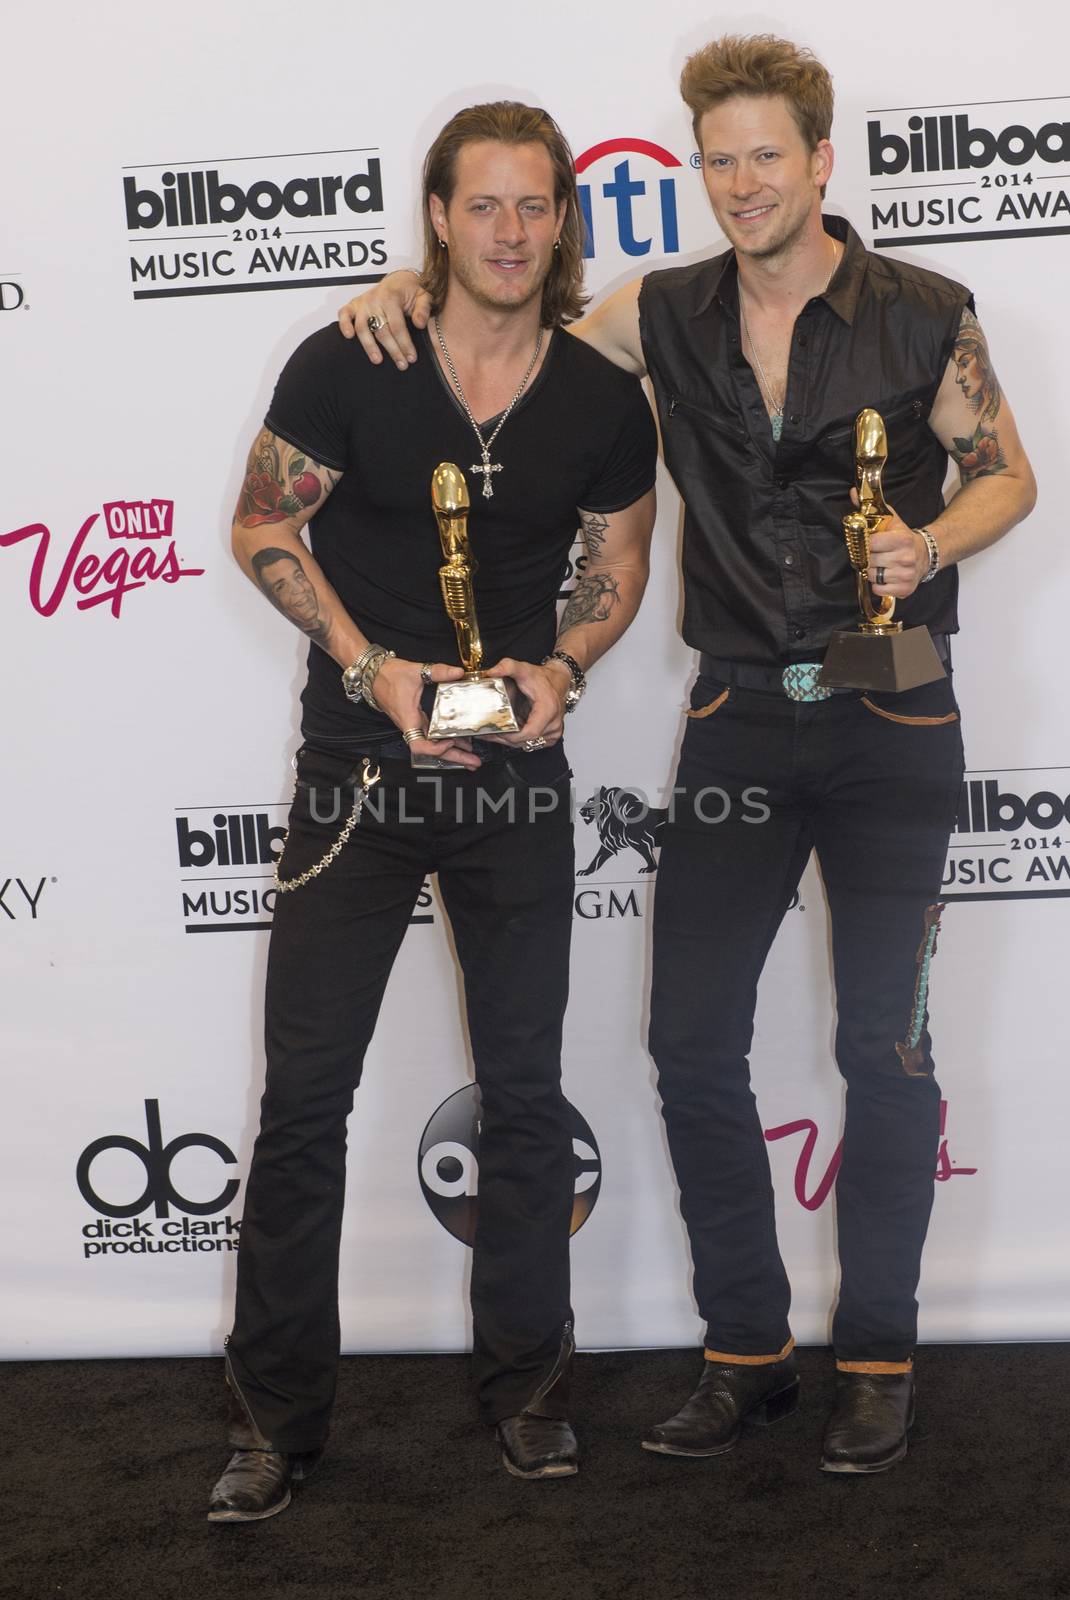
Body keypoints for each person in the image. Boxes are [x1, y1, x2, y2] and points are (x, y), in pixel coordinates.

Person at [340, 34, 1036, 1474]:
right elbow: (512, 316)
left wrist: (932, 539)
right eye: (716, 158)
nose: (740, 182)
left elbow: (1009, 472)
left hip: (897, 707)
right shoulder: (659, 313)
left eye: (765, 154)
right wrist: (415, 288)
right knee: (686, 1041)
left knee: (882, 1048)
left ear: (823, 159)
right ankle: (747, 1350)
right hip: (737, 709)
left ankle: (882, 1356)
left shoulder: (925, 314)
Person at [209, 100, 657, 1522]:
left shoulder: (598, 398)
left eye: (537, 207)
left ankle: (527, 1391)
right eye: (486, 206)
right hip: (356, 775)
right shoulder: (354, 360)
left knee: (527, 1100)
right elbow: (260, 524)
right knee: (304, 1107)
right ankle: (276, 1423)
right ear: (439, 218)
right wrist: (371, 667)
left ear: (561, 222)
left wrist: (566, 664)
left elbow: (620, 564)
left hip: (516, 779)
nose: (512, 232)